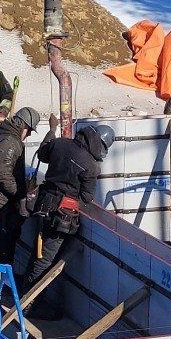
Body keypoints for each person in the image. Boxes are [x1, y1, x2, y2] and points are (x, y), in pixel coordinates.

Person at [26, 117, 114, 287]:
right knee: (45, 260)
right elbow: (87, 198)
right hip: (60, 215)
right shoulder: (91, 166)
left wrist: (52, 131)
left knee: (38, 253)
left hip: (42, 204)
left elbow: (42, 154)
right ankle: (27, 304)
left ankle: (24, 293)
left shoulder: (59, 144)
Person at [0, 105, 38, 263]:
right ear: (23, 125)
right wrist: (20, 194)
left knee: (4, 239)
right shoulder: (10, 141)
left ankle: (3, 276)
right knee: (4, 241)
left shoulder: (5, 135)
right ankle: (3, 279)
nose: (29, 134)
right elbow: (2, 174)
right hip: (0, 200)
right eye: (29, 130)